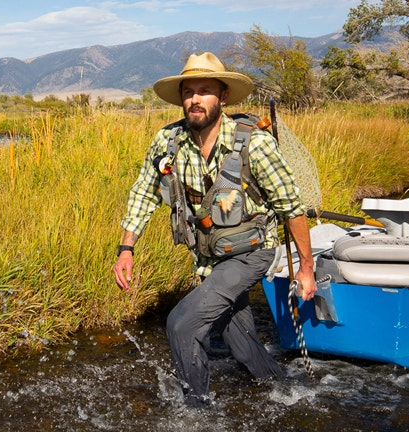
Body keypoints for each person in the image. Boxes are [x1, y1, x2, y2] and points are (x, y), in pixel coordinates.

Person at [112, 52, 317, 406]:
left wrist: (307, 268)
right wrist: (126, 248)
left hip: (252, 251)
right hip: (210, 257)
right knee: (240, 342)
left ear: (222, 97)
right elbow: (145, 192)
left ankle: (198, 412)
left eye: (205, 90)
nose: (195, 99)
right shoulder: (167, 142)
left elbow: (291, 207)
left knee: (182, 323)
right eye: (188, 91)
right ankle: (283, 389)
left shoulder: (255, 142)